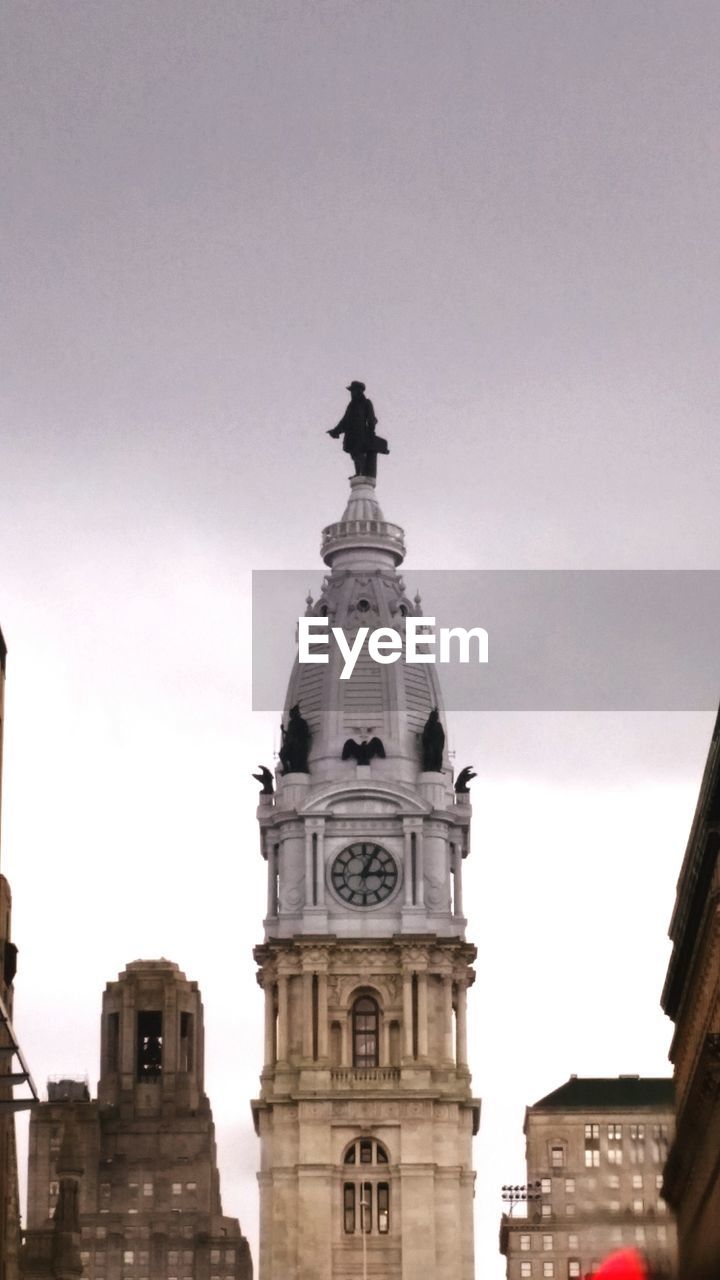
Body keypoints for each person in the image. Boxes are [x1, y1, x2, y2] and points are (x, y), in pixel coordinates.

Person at [327, 381, 389, 478]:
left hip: (361, 434)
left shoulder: (366, 403)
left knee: (359, 453)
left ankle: (362, 473)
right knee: (354, 454)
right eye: (351, 391)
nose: (351, 393)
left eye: (353, 391)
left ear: (359, 391)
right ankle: (358, 473)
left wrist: (370, 433)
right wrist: (335, 431)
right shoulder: (351, 405)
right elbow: (345, 421)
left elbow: (371, 419)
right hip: (351, 434)